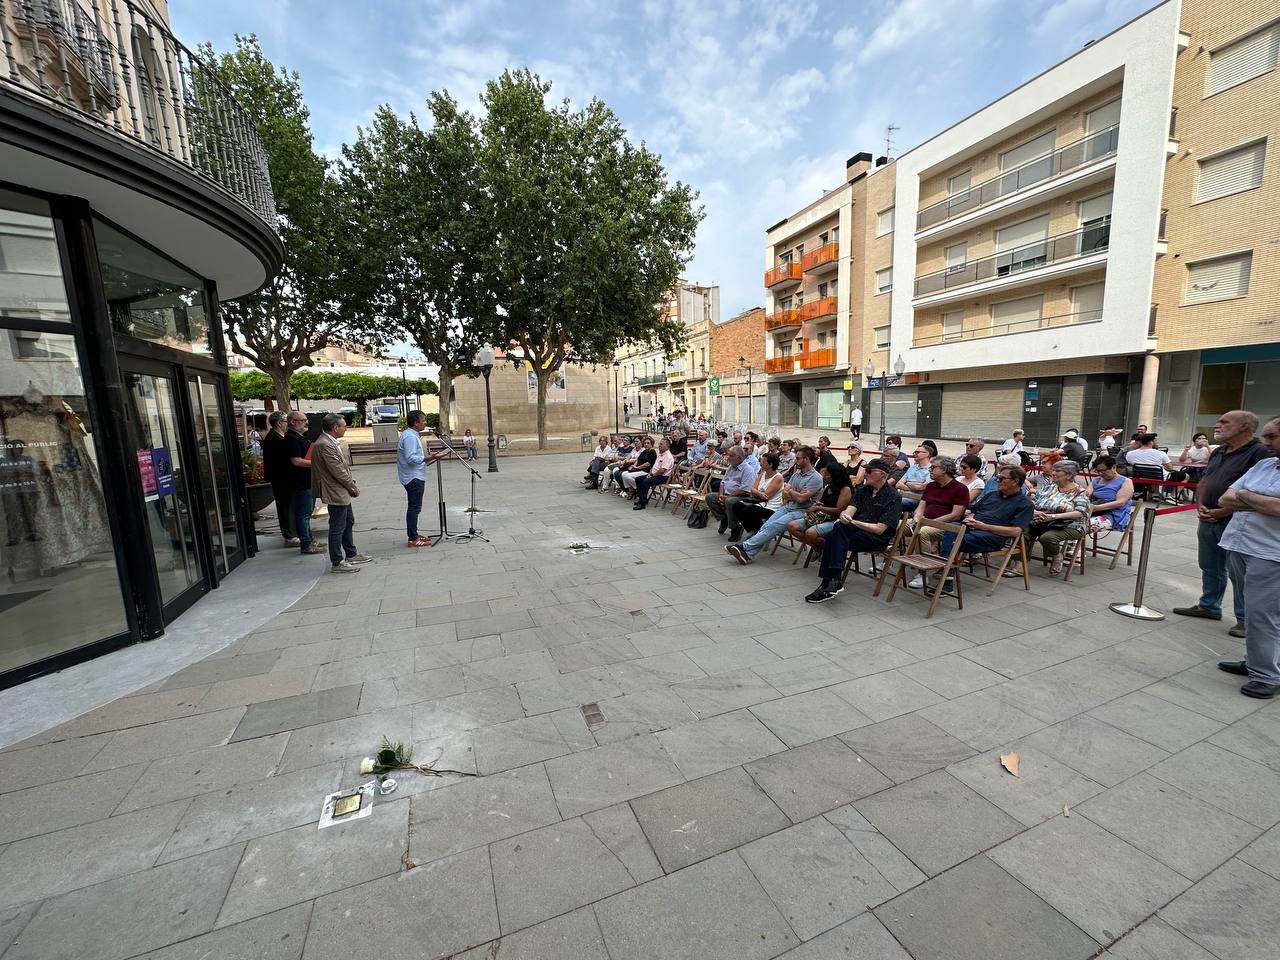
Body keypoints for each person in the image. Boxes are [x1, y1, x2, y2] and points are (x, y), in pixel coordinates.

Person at [1174, 410, 1269, 636]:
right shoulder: (1219, 452)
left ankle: (1245, 619)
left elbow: (1253, 492)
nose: (1218, 425)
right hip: (1208, 518)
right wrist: (1200, 504)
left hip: (1237, 522)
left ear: (1245, 426)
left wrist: (1222, 511)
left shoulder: (1259, 453)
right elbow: (1206, 480)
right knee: (1209, 565)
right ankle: (1209, 605)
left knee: (1239, 573)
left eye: (1225, 422)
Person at [1217, 416, 1280, 698]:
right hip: (1241, 545)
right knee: (1250, 608)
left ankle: (1267, 676)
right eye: (1265, 436)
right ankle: (1257, 661)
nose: (1265, 443)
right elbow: (1225, 499)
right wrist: (1258, 500)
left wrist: (1245, 496)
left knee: (1263, 614)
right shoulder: (1264, 464)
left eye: (1272, 437)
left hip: (1270, 552)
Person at [804, 459, 903, 603]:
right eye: (865, 471)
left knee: (834, 536)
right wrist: (845, 516)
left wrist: (852, 521)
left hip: (875, 538)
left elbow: (879, 529)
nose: (865, 474)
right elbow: (850, 510)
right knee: (837, 530)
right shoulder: (862, 490)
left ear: (882, 475)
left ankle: (829, 582)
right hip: (854, 532)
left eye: (869, 471)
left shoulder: (893, 497)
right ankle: (832, 582)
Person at [936, 465, 1035, 593]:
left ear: (1015, 481)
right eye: (998, 477)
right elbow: (973, 511)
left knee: (954, 539)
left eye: (1001, 478)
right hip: (972, 527)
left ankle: (946, 577)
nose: (997, 481)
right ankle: (946, 571)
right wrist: (970, 518)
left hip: (992, 536)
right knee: (952, 529)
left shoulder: (1025, 504)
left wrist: (984, 526)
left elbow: (1016, 531)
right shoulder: (992, 495)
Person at [726, 445, 822, 564]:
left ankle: (744, 547)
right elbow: (785, 495)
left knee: (773, 526)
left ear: (806, 459)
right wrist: (792, 493)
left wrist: (791, 491)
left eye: (797, 458)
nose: (795, 461)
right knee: (766, 526)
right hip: (787, 506)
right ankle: (747, 555)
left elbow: (801, 499)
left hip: (802, 511)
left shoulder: (816, 478)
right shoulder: (797, 474)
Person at [310, 413, 372, 573]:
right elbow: (337, 471)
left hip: (340, 490)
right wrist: (352, 486)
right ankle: (337, 562)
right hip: (335, 491)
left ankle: (351, 553)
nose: (346, 428)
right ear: (335, 428)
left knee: (348, 521)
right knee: (337, 526)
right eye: (344, 425)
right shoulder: (324, 444)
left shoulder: (329, 442)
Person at [905, 456, 971, 588]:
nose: (930, 469)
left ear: (944, 470)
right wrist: (918, 517)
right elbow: (922, 506)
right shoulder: (931, 486)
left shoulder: (960, 489)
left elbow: (955, 514)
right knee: (899, 525)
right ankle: (887, 560)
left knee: (922, 533)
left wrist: (930, 522)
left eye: (934, 467)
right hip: (925, 520)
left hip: (947, 526)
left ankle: (923, 572)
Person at [1018, 460, 1090, 577]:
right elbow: (1034, 502)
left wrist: (1053, 516)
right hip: (1042, 522)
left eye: (1057, 471)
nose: (1053, 473)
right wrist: (1035, 512)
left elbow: (1080, 512)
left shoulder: (1080, 492)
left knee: (1047, 538)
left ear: (1069, 475)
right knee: (1019, 532)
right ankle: (1019, 566)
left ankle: (1057, 556)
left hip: (1069, 525)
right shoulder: (1050, 488)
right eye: (1053, 470)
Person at [399, 410, 444, 547]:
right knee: (414, 507)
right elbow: (411, 458)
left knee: (415, 507)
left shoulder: (412, 435)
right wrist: (429, 457)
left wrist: (428, 457)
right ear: (416, 423)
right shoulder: (410, 437)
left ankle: (414, 534)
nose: (425, 423)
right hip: (413, 477)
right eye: (423, 420)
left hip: (415, 475)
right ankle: (412, 538)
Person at [788, 463, 854, 552]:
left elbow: (839, 510)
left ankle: (829, 549)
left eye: (827, 474)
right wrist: (812, 509)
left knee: (810, 533)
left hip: (835, 520)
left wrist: (818, 508)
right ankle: (818, 547)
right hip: (822, 516)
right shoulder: (829, 486)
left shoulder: (845, 489)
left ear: (834, 475)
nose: (825, 476)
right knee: (791, 526)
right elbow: (820, 502)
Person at [284, 411, 324, 556]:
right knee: (303, 514)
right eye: (302, 420)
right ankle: (306, 543)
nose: (306, 423)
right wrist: (317, 463)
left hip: (307, 481)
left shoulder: (300, 437)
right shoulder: (291, 439)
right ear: (293, 422)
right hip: (300, 482)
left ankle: (309, 540)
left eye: (306, 420)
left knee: (307, 512)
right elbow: (296, 461)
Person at [261, 411, 298, 544]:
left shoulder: (279, 436)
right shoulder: (274, 438)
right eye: (285, 421)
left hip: (285, 477)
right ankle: (289, 534)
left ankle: (291, 532)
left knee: (289, 505)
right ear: (279, 423)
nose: (287, 424)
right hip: (281, 478)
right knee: (285, 505)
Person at [707, 445, 759, 534]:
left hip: (742, 496)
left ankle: (735, 527)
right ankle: (724, 519)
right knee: (710, 497)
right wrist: (721, 495)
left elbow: (745, 488)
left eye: (731, 456)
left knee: (730, 501)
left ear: (738, 457)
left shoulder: (748, 470)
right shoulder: (731, 467)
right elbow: (723, 482)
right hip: (727, 495)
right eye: (728, 455)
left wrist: (728, 497)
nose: (728, 458)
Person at [735, 452, 786, 539]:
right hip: (759, 502)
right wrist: (759, 493)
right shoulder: (762, 474)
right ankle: (756, 531)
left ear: (770, 464)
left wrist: (757, 492)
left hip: (771, 506)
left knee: (748, 510)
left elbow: (766, 496)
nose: (760, 463)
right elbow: (752, 489)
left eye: (763, 461)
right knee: (736, 505)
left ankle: (759, 533)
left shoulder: (778, 477)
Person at [1084, 455, 1133, 535]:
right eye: (1098, 471)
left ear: (1113, 467)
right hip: (1094, 510)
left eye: (1103, 471)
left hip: (1113, 514)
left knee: (1080, 527)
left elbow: (1120, 502)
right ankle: (1072, 546)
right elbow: (1087, 494)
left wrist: (1096, 508)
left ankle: (1071, 546)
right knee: (1069, 523)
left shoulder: (1126, 481)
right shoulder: (1096, 480)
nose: (1100, 473)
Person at [633, 438, 674, 510]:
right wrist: (650, 473)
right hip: (654, 474)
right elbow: (654, 466)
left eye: (661, 444)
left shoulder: (668, 456)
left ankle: (642, 504)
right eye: (659, 444)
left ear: (667, 446)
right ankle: (642, 499)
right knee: (638, 479)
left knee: (646, 481)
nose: (659, 445)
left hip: (663, 477)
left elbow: (662, 470)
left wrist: (652, 475)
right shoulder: (660, 454)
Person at [898, 446, 933, 510]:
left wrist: (907, 483)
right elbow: (898, 484)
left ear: (927, 454)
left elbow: (921, 487)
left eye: (917, 452)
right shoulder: (913, 467)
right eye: (914, 452)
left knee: (893, 502)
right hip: (904, 496)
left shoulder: (931, 469)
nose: (914, 454)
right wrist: (914, 487)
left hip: (918, 499)